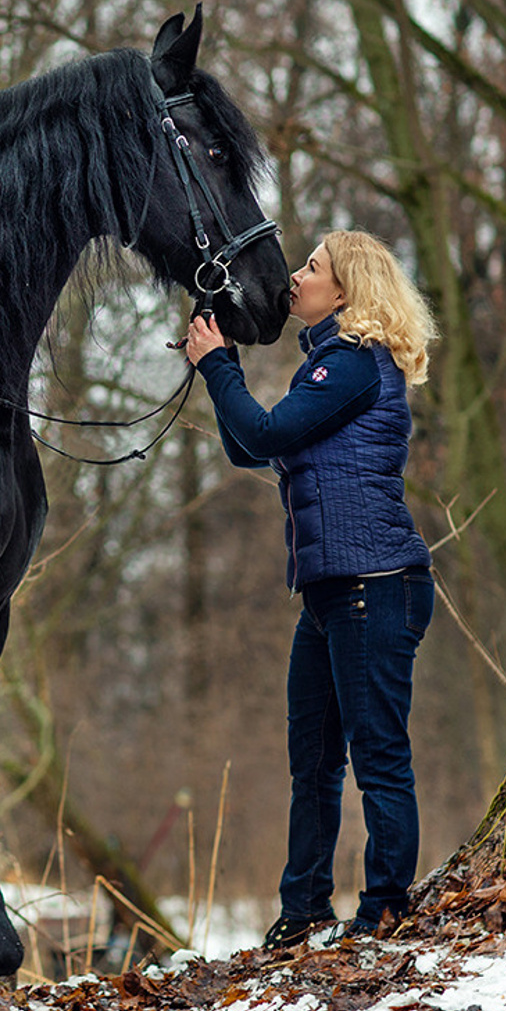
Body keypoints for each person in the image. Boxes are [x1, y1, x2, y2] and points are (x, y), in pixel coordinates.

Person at [185, 229, 437, 948]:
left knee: (377, 756)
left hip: (374, 584)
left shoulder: (356, 362)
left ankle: (384, 908)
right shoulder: (329, 365)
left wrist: (218, 368)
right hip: (332, 593)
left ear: (345, 290)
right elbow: (248, 445)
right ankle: (302, 911)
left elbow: (264, 434)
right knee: (315, 763)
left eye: (312, 267)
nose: (295, 276)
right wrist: (221, 363)